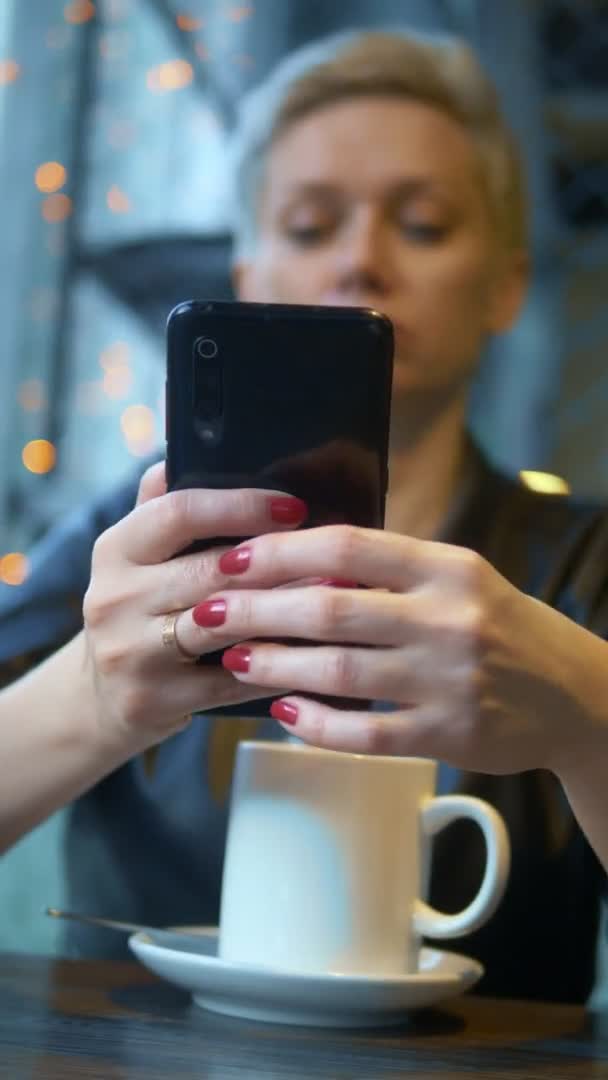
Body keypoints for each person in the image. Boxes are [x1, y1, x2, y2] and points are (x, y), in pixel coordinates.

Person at [1, 29, 608, 1003]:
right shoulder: (138, 535)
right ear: (246, 273)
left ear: (503, 286)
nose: (360, 262)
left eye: (420, 224)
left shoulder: (580, 560)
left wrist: (590, 715)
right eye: (309, 223)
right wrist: (92, 701)